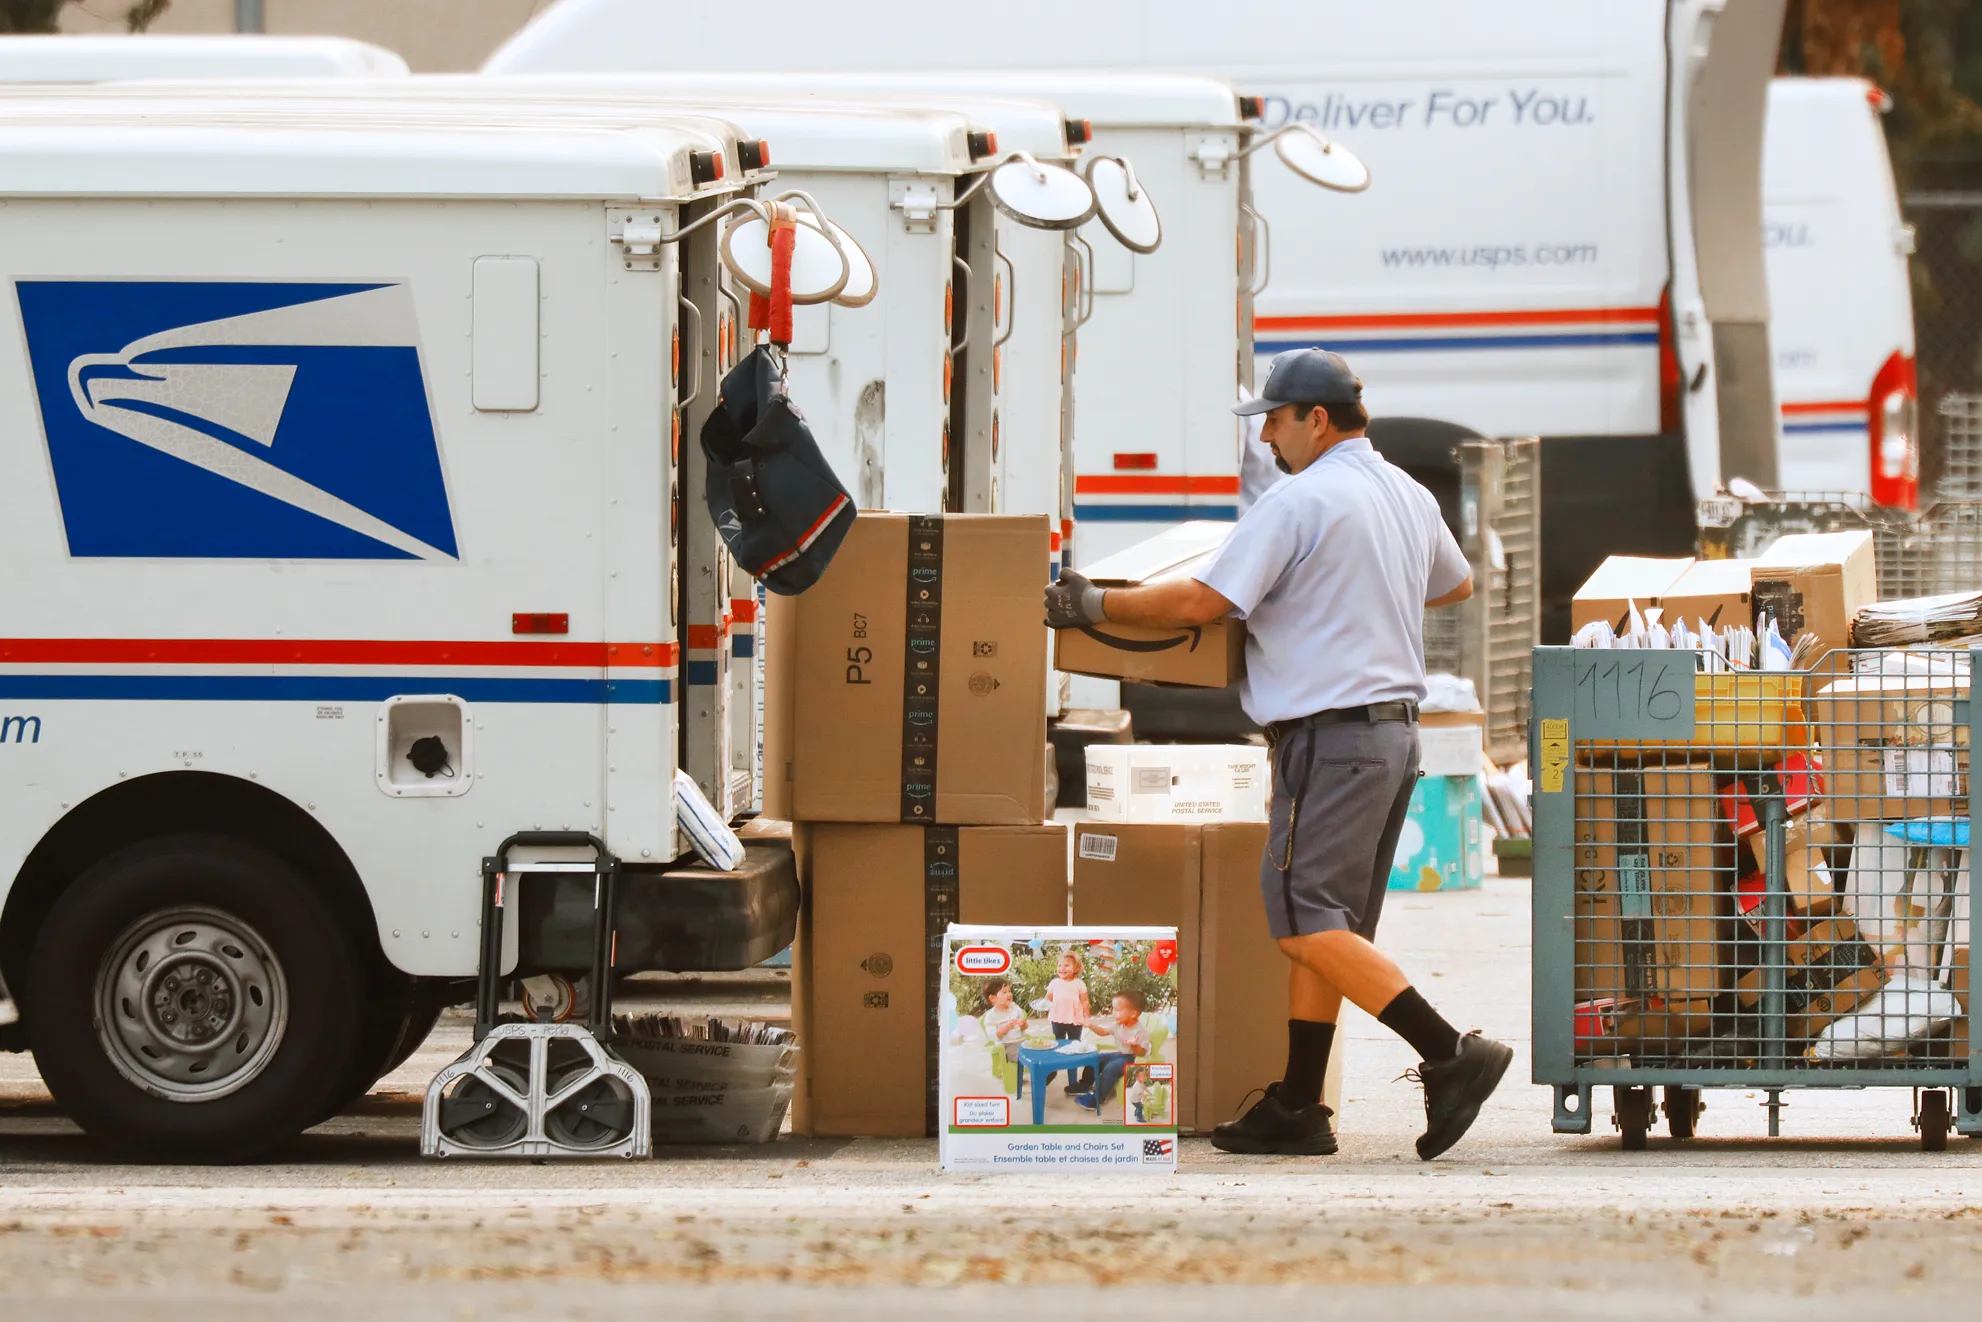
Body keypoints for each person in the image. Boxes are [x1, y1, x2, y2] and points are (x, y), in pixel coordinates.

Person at [1045, 349, 1512, 1161]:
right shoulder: (1404, 491)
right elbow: (1455, 582)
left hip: (1330, 738)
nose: (1265, 439)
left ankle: (1449, 1052)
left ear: (1315, 420)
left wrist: (1092, 604)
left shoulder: (1301, 500)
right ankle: (1299, 1103)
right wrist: (1356, 590)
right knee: (1328, 926)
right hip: (1393, 736)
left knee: (1302, 923)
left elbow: (1202, 602)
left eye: (1274, 420)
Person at [1075, 989, 1153, 1114]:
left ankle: (1097, 1099)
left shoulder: (1140, 1031)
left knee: (1110, 1069)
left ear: (1133, 1014)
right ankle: (1084, 1084)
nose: (1113, 1013)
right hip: (1121, 1054)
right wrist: (1089, 1024)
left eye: (1117, 1010)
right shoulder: (1118, 1025)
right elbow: (1103, 1032)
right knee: (1095, 1059)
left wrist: (1134, 1045)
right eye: (1113, 1009)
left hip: (1133, 1058)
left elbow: (1141, 1053)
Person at [1045, 950, 1092, 1094]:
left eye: (1066, 966)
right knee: (1058, 1045)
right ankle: (1053, 1071)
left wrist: (1086, 1017)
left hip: (1074, 1020)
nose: (1062, 968)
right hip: (1057, 1019)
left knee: (1074, 1047)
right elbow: (1048, 999)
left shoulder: (1079, 983)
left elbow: (1085, 1001)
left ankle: (1073, 1082)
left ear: (1076, 968)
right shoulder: (1054, 982)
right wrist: (1043, 1005)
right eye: (1060, 965)